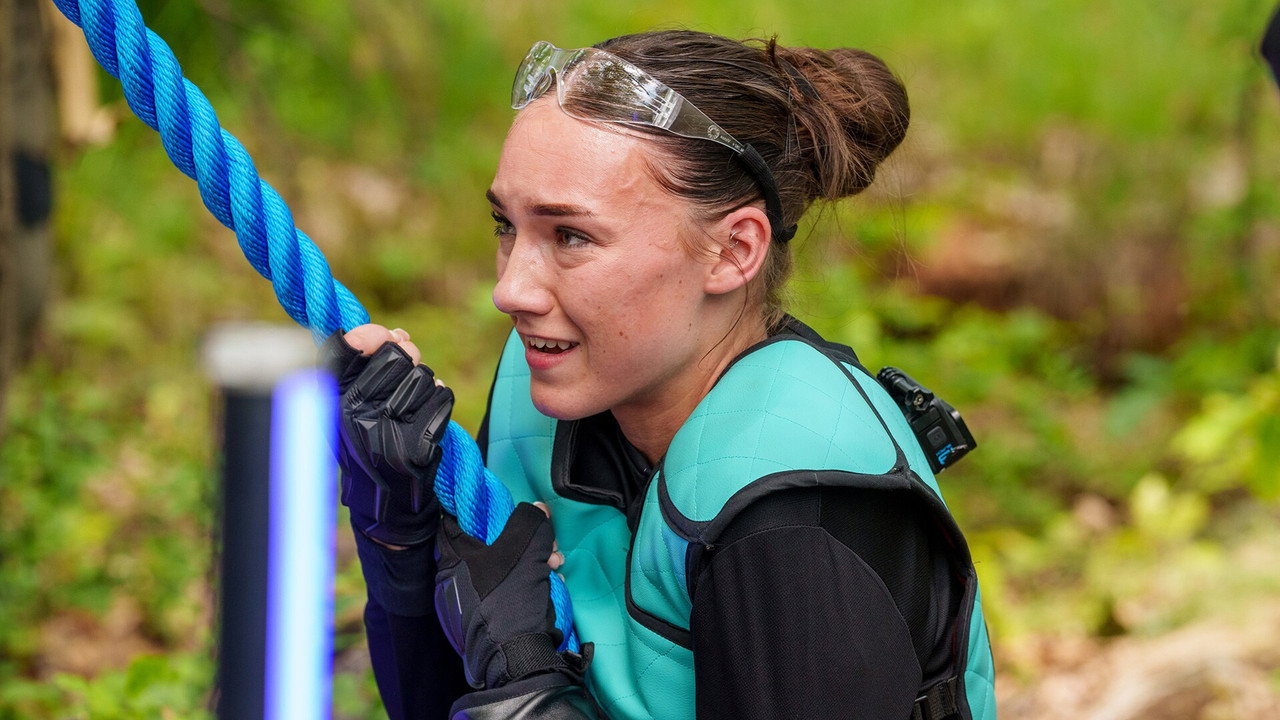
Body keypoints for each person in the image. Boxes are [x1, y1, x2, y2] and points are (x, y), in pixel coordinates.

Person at [323, 30, 997, 720]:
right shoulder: (546, 397)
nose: (510, 290)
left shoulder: (795, 513)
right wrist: (401, 534)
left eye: (570, 236)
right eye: (506, 226)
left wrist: (523, 669)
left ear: (733, 251)